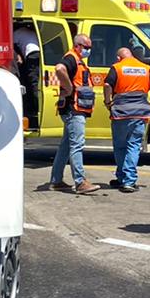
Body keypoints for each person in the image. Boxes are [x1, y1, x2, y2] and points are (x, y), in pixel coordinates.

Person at [48, 31, 100, 195]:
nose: (89, 50)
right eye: (86, 47)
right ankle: (80, 182)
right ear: (78, 46)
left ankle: (56, 181)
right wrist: (69, 88)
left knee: (65, 147)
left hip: (74, 109)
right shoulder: (71, 58)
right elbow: (59, 68)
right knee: (77, 144)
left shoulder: (78, 61)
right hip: (73, 109)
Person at [104, 45, 150, 193]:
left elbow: (107, 84)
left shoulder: (117, 67)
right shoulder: (146, 68)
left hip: (121, 113)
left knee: (120, 147)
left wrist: (107, 102)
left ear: (119, 58)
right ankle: (129, 181)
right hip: (140, 113)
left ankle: (122, 178)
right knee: (134, 146)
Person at [13, 13, 42, 131]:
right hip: (39, 54)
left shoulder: (16, 33)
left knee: (33, 83)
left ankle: (35, 107)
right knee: (36, 81)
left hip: (31, 56)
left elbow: (10, 46)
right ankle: (36, 106)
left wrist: (18, 56)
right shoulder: (32, 33)